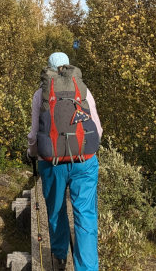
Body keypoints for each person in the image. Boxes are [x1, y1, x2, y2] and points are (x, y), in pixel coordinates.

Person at [28, 52, 102, 271]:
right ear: (69, 67)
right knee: (85, 215)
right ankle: (87, 268)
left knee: (56, 209)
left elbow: (34, 135)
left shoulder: (40, 94)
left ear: (49, 69)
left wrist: (33, 153)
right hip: (85, 162)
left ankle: (59, 256)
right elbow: (97, 129)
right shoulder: (83, 90)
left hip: (52, 163)